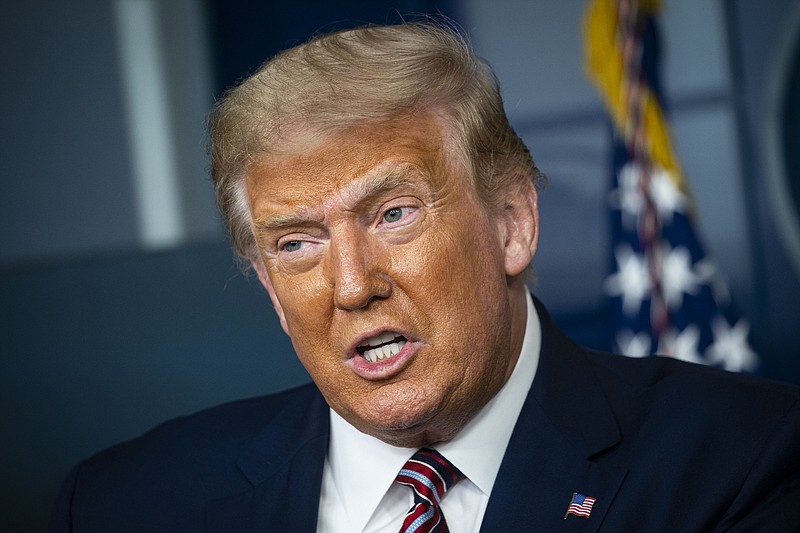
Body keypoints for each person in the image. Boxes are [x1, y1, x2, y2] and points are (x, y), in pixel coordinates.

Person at [49, 21, 800, 532]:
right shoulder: (123, 502)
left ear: (513, 222)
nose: (351, 285)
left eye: (393, 214)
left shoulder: (743, 459)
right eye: (297, 244)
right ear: (271, 290)